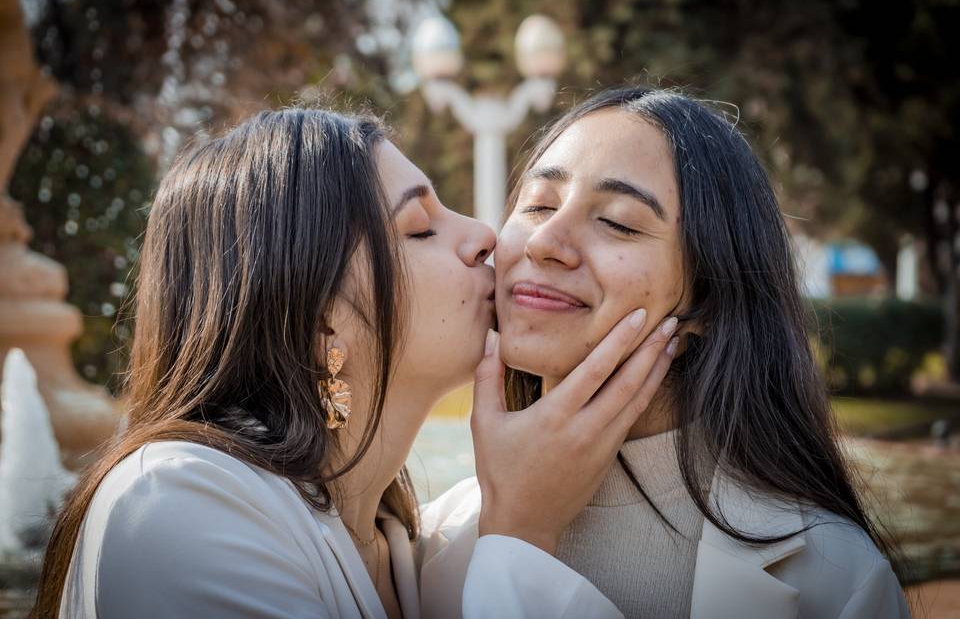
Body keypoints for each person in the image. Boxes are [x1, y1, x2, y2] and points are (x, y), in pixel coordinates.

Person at [31, 108, 678, 618]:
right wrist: (522, 536)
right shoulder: (174, 504)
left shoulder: (405, 548)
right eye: (421, 228)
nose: (486, 235)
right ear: (316, 322)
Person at [419, 86, 911, 619]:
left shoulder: (836, 574)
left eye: (618, 222)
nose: (544, 243)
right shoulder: (429, 541)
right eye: (537, 205)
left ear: (708, 296)